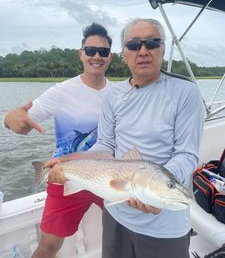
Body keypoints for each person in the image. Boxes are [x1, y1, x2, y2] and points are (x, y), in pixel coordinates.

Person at [48, 18, 205, 258]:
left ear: (162, 49)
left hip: (164, 223)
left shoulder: (185, 92)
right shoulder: (113, 94)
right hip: (116, 213)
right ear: (124, 54)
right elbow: (105, 145)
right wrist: (69, 162)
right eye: (134, 45)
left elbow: (186, 153)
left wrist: (154, 187)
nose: (143, 51)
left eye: (152, 43)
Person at [3, 22, 113, 258]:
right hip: (63, 175)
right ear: (80, 54)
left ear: (110, 57)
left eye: (102, 52)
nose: (96, 56)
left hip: (107, 177)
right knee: (49, 245)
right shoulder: (60, 91)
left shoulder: (118, 94)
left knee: (123, 234)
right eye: (90, 50)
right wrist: (10, 118)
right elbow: (22, 117)